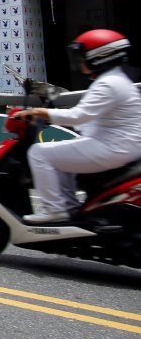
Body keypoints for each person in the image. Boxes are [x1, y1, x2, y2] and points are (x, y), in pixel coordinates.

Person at [14, 29, 141, 224]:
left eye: (82, 56)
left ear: (99, 58)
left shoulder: (108, 84)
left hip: (115, 147)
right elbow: (92, 118)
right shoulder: (115, 80)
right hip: (121, 145)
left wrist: (40, 112)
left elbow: (78, 116)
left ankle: (54, 209)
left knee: (39, 153)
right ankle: (68, 206)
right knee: (62, 154)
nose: (79, 61)